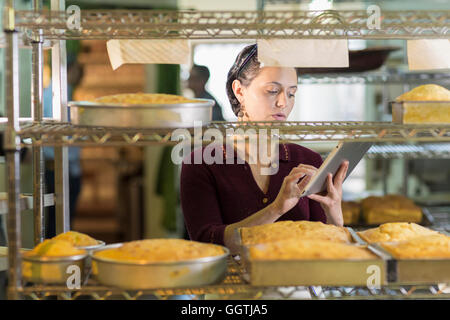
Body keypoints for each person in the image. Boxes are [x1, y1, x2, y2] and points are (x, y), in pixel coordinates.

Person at [180, 44, 349, 253]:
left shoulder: (308, 160)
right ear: (239, 91)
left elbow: (328, 249)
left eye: (291, 93)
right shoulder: (202, 164)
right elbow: (207, 243)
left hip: (301, 284)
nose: (283, 103)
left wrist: (334, 213)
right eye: (273, 91)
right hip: (231, 285)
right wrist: (276, 209)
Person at [43, 57, 83, 238]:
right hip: (62, 168)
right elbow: (68, 133)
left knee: (55, 221)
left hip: (56, 166)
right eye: (77, 70)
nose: (81, 75)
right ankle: (60, 260)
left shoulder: (49, 92)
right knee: (61, 223)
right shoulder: (61, 94)